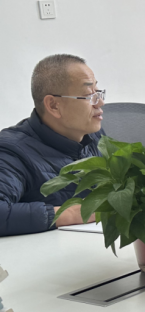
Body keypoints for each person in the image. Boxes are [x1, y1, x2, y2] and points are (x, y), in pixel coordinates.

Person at [0, 54, 105, 236]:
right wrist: (75, 212)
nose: (100, 103)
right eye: (89, 95)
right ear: (54, 105)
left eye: (98, 92)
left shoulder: (93, 134)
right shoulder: (12, 151)